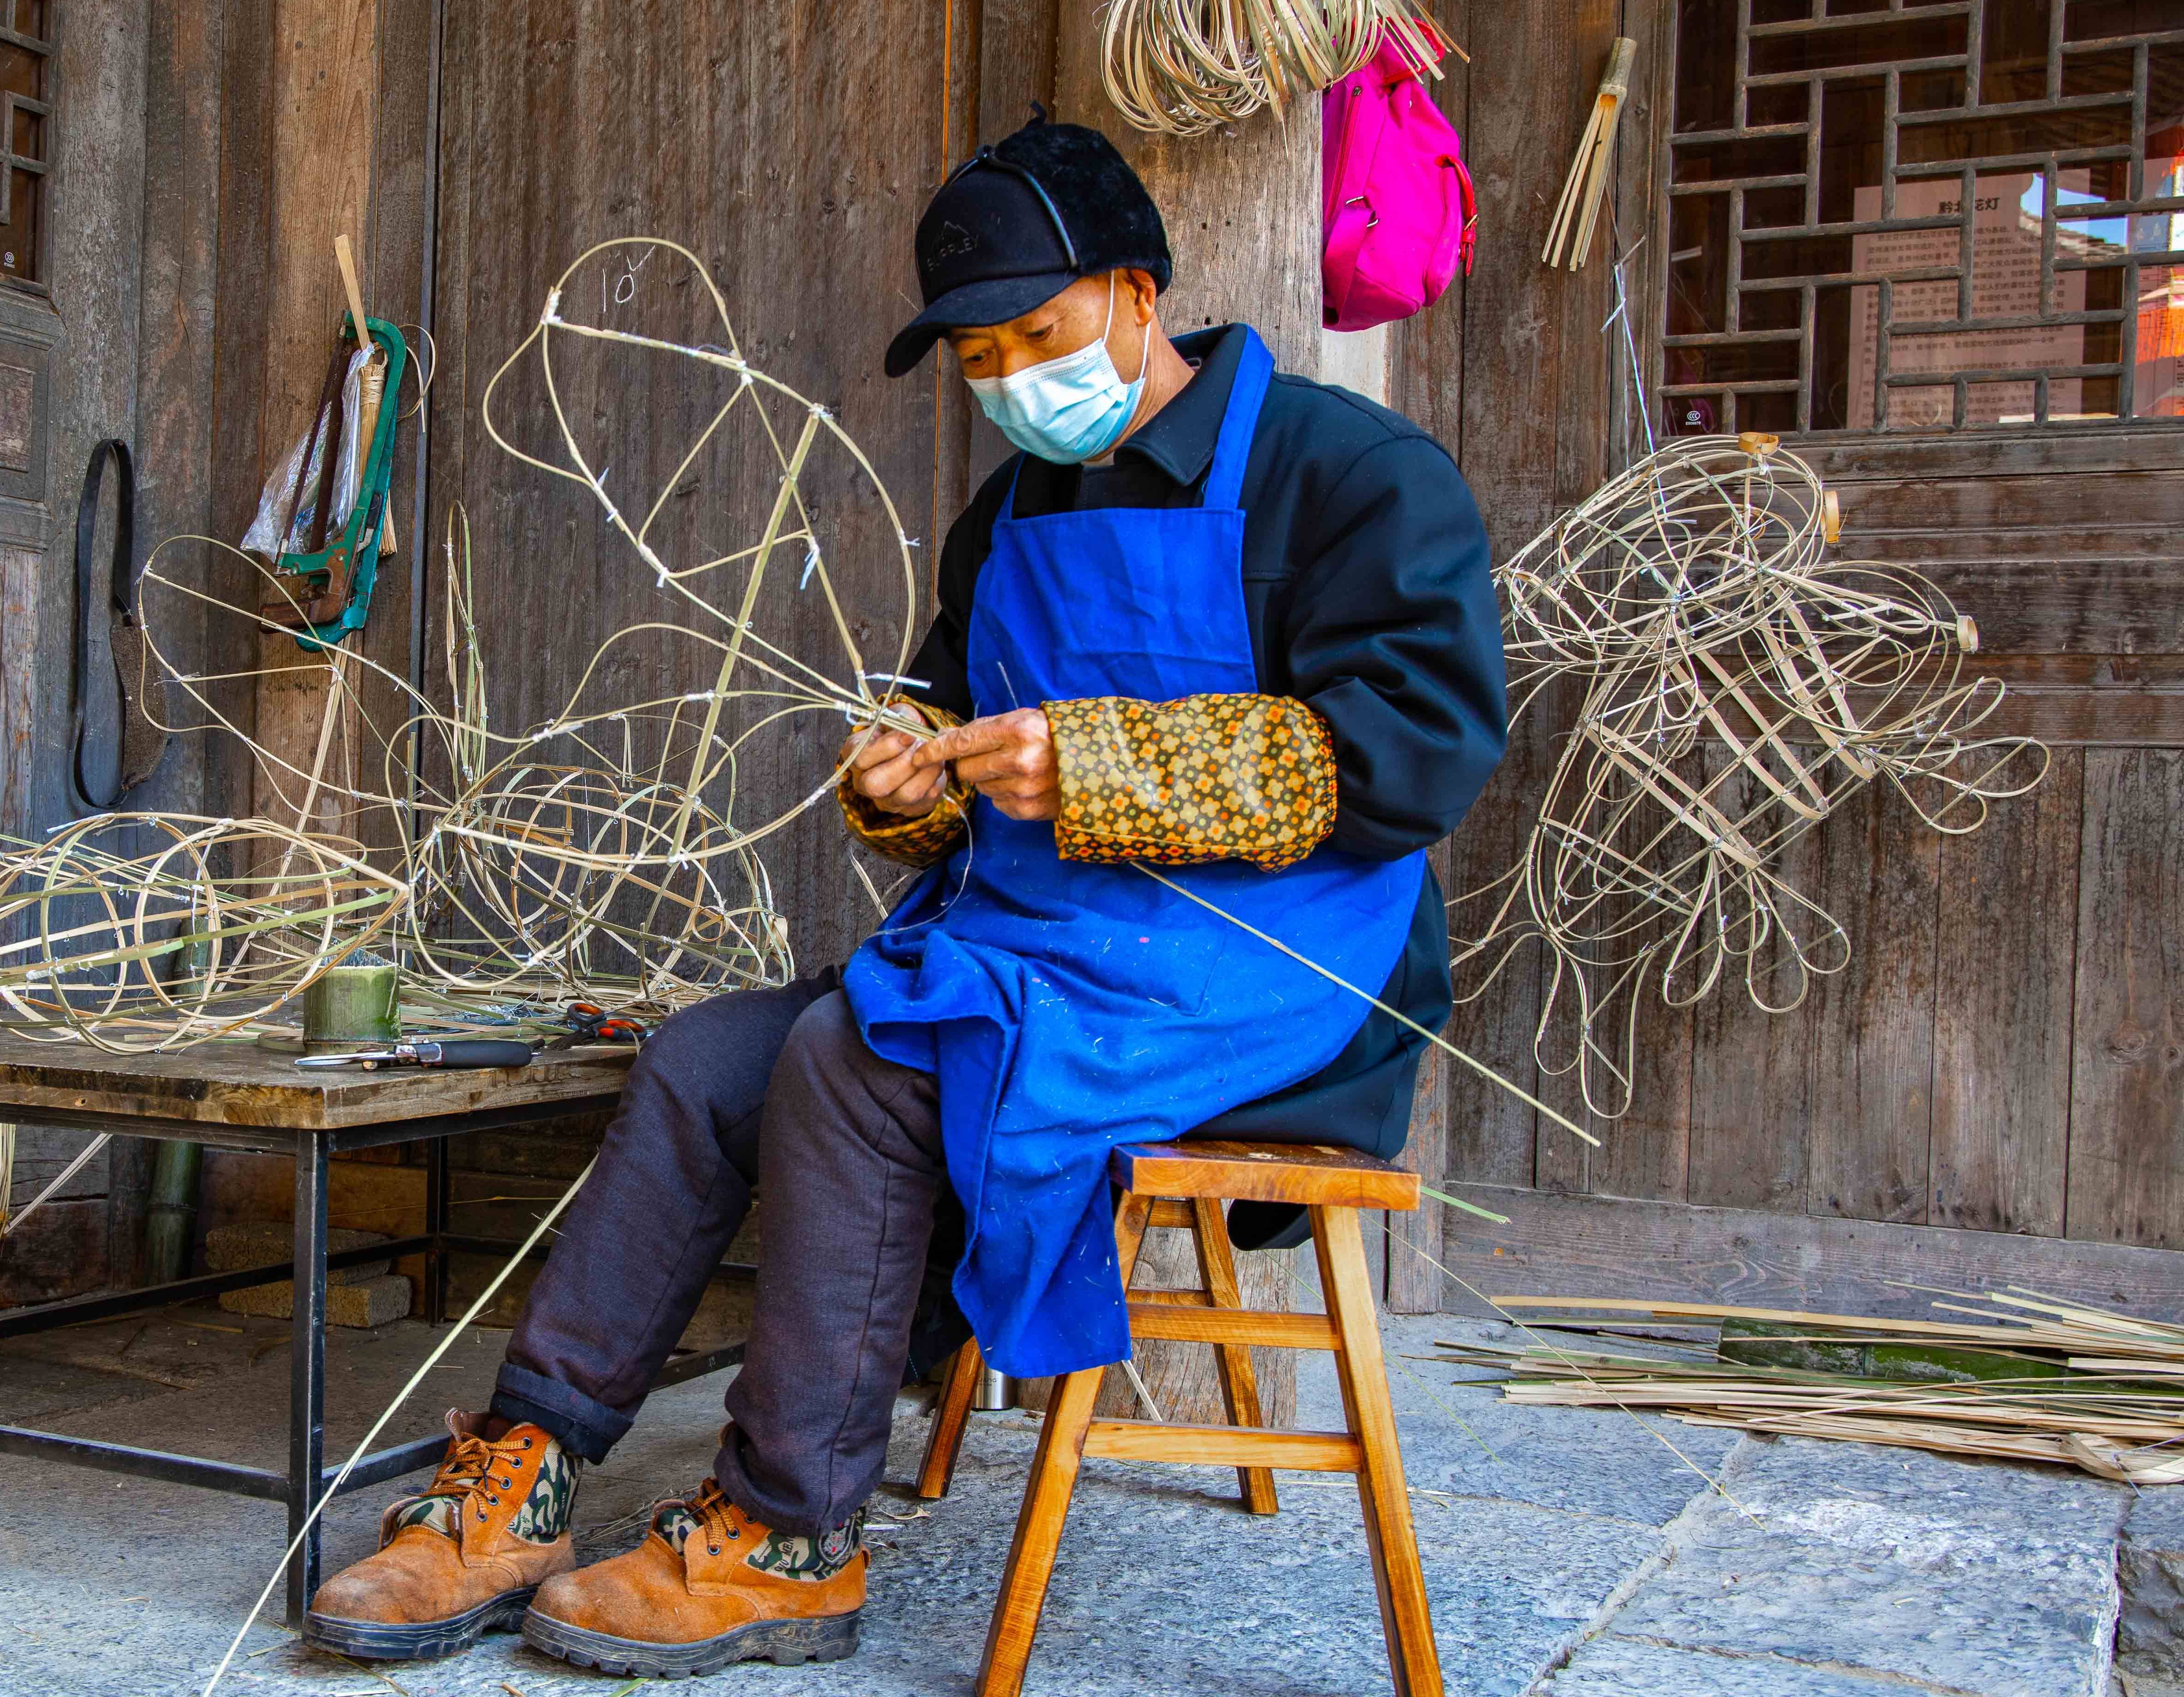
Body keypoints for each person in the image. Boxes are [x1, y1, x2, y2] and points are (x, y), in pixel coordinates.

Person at [301, 113, 1507, 1678]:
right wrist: (905, 785)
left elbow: (1418, 756)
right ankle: (525, 1467)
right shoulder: (1004, 519)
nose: (1014, 377)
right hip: (1039, 942)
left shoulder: (1351, 477)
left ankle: (788, 1531)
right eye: (981, 354)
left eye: (1042, 333)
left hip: (1281, 972)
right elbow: (943, 727)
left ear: (1140, 296)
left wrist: (1100, 767)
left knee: (865, 1063)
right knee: (705, 1061)